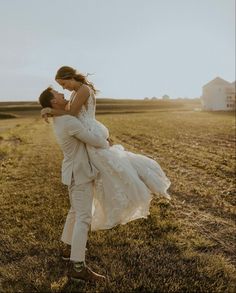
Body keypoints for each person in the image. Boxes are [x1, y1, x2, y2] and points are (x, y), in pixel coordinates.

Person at [41, 66, 171, 233]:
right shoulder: (75, 92)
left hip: (89, 131)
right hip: (86, 130)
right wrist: (51, 111)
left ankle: (130, 196)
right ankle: (108, 204)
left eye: (63, 83)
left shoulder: (83, 90)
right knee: (106, 170)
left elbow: (72, 112)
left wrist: (50, 110)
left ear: (70, 77)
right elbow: (68, 111)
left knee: (111, 168)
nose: (63, 88)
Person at [39, 88, 108, 282]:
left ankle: (67, 248)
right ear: (54, 103)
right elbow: (95, 141)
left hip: (73, 173)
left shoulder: (60, 118)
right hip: (79, 175)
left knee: (75, 212)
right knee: (84, 218)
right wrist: (107, 140)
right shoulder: (68, 121)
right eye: (58, 94)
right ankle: (78, 267)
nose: (63, 94)